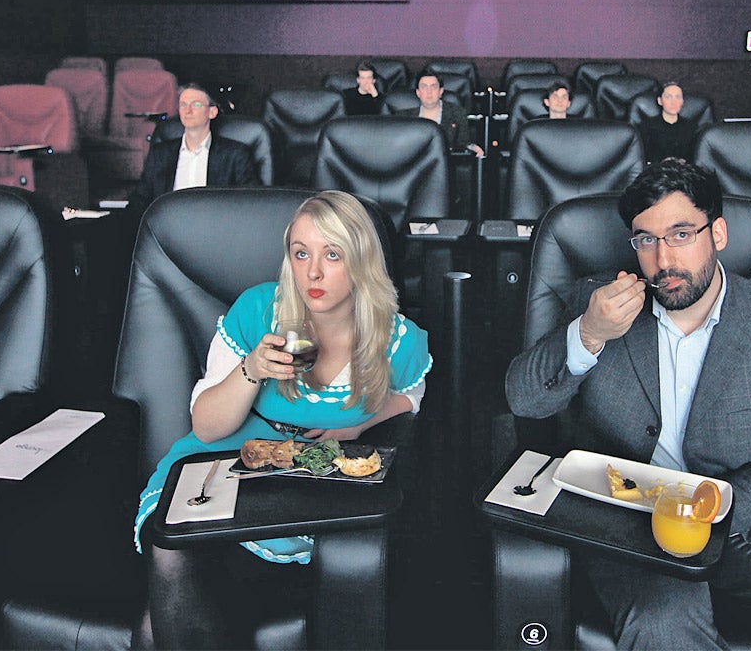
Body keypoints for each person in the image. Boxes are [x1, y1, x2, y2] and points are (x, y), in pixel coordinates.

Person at [506, 159, 751, 650]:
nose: (663, 259)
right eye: (645, 239)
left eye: (680, 234)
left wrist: (703, 508)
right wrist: (588, 334)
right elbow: (523, 402)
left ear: (717, 233)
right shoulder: (599, 306)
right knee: (663, 622)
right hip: (630, 515)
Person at [133, 190, 432, 649]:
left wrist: (364, 421)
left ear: (361, 260)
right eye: (301, 253)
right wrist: (253, 369)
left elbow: (412, 392)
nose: (312, 272)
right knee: (175, 554)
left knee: (161, 623)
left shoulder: (397, 339)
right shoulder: (257, 311)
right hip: (225, 459)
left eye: (332, 254)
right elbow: (207, 427)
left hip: (306, 476)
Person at [127, 83, 260, 217]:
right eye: (183, 105)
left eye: (196, 105)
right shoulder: (160, 154)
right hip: (168, 229)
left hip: (214, 229)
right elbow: (140, 201)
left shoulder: (235, 154)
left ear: (212, 112)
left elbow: (250, 203)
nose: (187, 110)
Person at [404, 68, 484, 156]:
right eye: (424, 87)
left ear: (440, 91)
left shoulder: (457, 113)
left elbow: (464, 143)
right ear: (418, 93)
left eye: (433, 87)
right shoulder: (405, 117)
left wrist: (473, 148)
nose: (429, 92)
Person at [640, 80, 698, 163]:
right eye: (668, 97)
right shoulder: (646, 126)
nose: (673, 102)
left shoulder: (692, 127)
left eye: (677, 97)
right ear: (660, 101)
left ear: (682, 101)